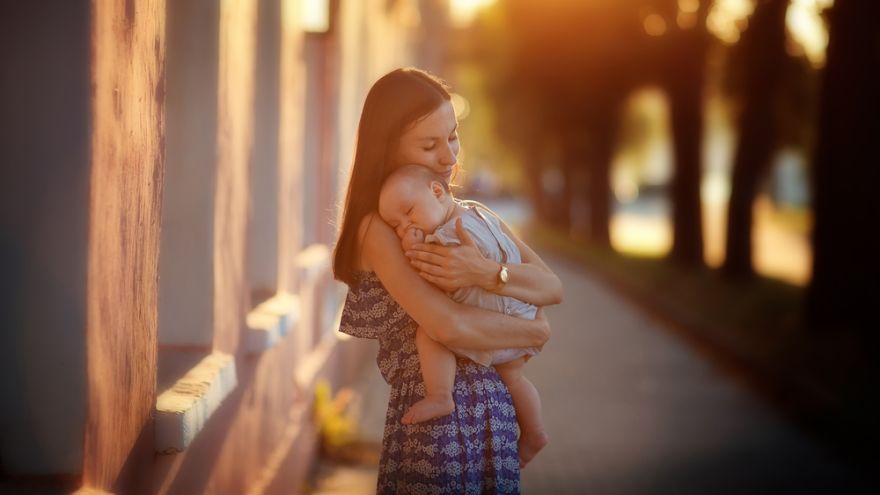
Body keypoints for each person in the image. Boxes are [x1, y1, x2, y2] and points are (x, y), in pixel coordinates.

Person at [333, 67, 563, 493]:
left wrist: (487, 273)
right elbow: (448, 326)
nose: (450, 157)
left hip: (493, 409)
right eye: (429, 145)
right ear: (388, 148)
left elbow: (552, 287)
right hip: (439, 421)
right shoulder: (379, 228)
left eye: (452, 136)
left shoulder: (471, 214)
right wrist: (532, 327)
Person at [378, 164, 550, 468]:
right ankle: (535, 432)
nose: (406, 227)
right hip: (520, 314)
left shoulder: (445, 237)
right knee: (515, 378)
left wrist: (413, 247)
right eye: (397, 226)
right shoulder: (478, 214)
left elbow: (435, 279)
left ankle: (440, 395)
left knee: (430, 331)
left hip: (490, 319)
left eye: (409, 212)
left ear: (437, 192)